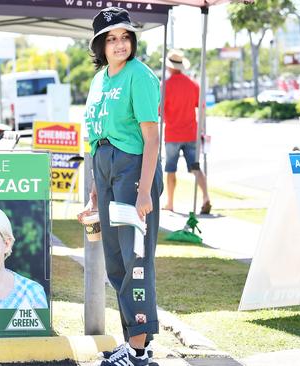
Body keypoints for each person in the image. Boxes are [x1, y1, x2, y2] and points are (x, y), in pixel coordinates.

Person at [77, 7, 163, 366]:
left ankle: (139, 348)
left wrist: (143, 191)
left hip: (133, 172)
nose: (119, 44)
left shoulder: (139, 77)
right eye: (111, 38)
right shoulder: (100, 80)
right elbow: (96, 137)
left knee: (136, 260)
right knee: (115, 262)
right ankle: (133, 343)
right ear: (99, 44)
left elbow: (152, 139)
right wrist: (96, 188)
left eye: (124, 36)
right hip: (106, 168)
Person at [161, 49, 211, 215]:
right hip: (191, 132)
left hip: (173, 134)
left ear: (169, 67)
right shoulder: (192, 84)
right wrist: (202, 130)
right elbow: (202, 107)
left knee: (170, 169)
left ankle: (170, 202)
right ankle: (205, 197)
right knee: (196, 167)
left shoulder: (165, 86)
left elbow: (159, 110)